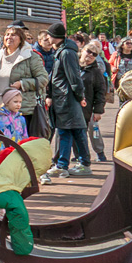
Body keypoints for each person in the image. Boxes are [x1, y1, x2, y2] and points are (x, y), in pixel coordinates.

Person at [42, 22, 89, 183]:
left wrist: (79, 95)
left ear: (55, 36)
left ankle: (63, 164)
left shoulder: (66, 53)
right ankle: (82, 162)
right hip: (66, 97)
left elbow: (73, 77)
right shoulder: (64, 51)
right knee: (75, 130)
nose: (47, 37)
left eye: (49, 35)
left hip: (65, 98)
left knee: (65, 131)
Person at [0, 24, 49, 139]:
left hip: (22, 112)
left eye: (14, 35)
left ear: (21, 39)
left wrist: (22, 84)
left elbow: (43, 79)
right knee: (3, 147)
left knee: (23, 148)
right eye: (7, 34)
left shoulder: (30, 56)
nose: (9, 37)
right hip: (0, 112)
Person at [80, 40, 110, 164]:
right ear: (82, 51)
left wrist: (98, 110)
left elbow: (100, 92)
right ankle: (80, 155)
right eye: (89, 51)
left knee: (93, 130)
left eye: (94, 54)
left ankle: (100, 153)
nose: (91, 55)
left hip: (89, 107)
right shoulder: (73, 66)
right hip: (74, 106)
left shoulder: (96, 72)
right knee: (77, 133)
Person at [0, 86, 29, 152]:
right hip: (0, 152)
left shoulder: (21, 119)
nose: (18, 105)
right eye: (15, 102)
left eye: (20, 102)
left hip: (17, 152)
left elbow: (25, 136)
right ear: (7, 102)